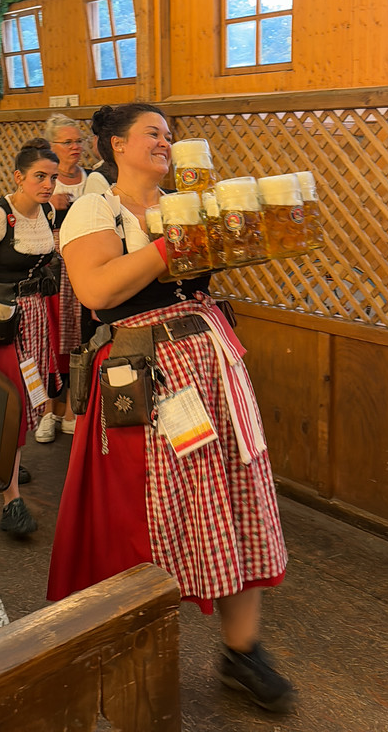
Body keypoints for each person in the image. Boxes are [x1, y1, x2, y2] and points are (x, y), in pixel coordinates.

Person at [47, 103, 295, 713]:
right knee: (147, 511)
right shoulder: (94, 208)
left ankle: (243, 652)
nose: (166, 142)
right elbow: (98, 290)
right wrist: (173, 242)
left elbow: (204, 272)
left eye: (169, 134)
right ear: (116, 145)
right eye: (152, 133)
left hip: (211, 360)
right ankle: (124, 652)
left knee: (234, 492)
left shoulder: (187, 199)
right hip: (146, 374)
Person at [0, 138, 61, 535]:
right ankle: (11, 504)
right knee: (10, 401)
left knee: (32, 393)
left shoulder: (49, 212)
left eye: (53, 177)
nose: (48, 185)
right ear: (19, 177)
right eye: (40, 176)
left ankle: (7, 461)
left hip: (34, 315)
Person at [35, 114, 88, 444]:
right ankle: (46, 411)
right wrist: (48, 207)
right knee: (49, 341)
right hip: (52, 270)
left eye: (78, 141)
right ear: (52, 146)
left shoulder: (94, 179)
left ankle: (71, 411)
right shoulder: (44, 181)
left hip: (83, 265)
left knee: (80, 340)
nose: (75, 147)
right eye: (67, 142)